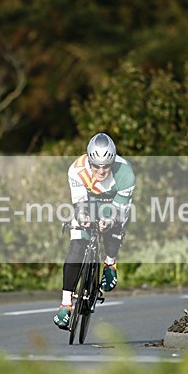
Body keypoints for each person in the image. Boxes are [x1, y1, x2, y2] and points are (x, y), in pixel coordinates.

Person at [53, 133, 135, 329]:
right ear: (89, 160)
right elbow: (79, 202)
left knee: (113, 229)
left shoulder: (126, 174)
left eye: (106, 165)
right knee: (76, 246)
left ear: (113, 161)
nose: (101, 170)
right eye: (96, 165)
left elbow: (119, 211)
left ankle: (110, 263)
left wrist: (108, 221)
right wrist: (82, 219)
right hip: (88, 202)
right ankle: (65, 304)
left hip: (114, 203)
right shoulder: (77, 169)